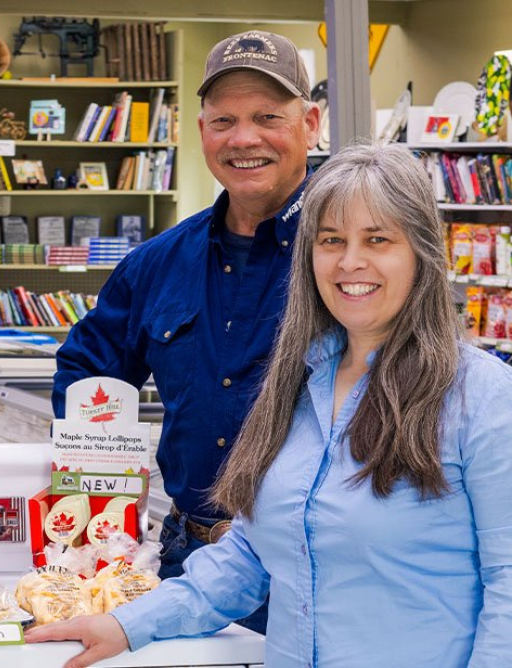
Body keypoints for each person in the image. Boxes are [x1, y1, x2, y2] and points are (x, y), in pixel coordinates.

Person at [28, 142, 512, 667]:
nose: (351, 262)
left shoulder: (481, 398)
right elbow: (251, 555)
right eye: (331, 240)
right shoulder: (297, 385)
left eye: (378, 239)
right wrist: (127, 623)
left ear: (421, 252)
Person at [51, 30, 320, 634]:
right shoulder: (158, 261)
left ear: (311, 122)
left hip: (312, 571)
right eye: (224, 119)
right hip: (183, 559)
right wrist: (97, 493)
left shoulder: (349, 258)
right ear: (200, 131)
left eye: (267, 117)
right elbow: (88, 373)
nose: (243, 138)